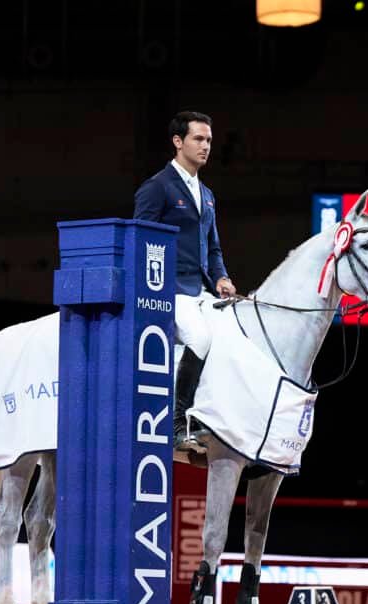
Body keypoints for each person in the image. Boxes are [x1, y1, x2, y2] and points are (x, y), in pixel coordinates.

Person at [133, 111, 236, 452]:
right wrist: (152, 286)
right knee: (201, 336)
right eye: (198, 139)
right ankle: (176, 425)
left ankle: (209, 419)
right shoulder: (157, 187)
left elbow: (214, 246)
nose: (205, 146)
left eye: (208, 140)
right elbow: (141, 241)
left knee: (233, 335)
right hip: (168, 290)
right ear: (178, 142)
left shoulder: (207, 194)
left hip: (202, 289)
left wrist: (221, 276)